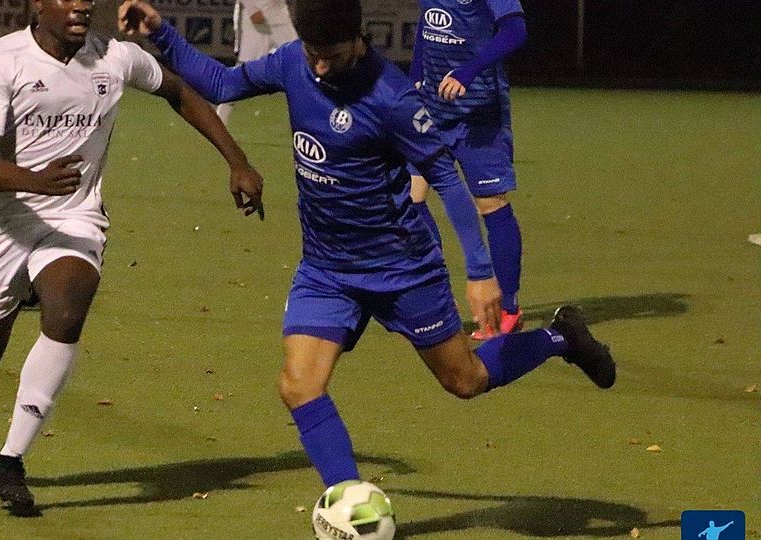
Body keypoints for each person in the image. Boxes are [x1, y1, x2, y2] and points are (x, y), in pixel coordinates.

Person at [119, 0, 615, 493]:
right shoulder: (294, 62)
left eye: (331, 56)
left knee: (465, 380)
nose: (319, 67)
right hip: (327, 269)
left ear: (358, 39)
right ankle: (351, 500)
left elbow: (445, 178)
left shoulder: (392, 98)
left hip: (402, 269)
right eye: (313, 53)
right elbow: (222, 83)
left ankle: (560, 338)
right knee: (299, 385)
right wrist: (161, 32)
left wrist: (480, 271)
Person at [0, 0, 263, 515]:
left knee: (67, 310)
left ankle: (10, 459)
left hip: (75, 218)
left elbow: (180, 92)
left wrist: (238, 161)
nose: (81, 4)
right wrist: (34, 181)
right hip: (0, 224)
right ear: (38, 5)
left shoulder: (116, 58)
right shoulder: (1, 61)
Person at [408, 0, 528, 339]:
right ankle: (437, 296)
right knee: (409, 199)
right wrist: (414, 77)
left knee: (491, 204)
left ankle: (508, 310)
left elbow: (515, 30)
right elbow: (428, 25)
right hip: (432, 108)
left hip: (479, 112)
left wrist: (469, 70)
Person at [215, 0, 297, 125]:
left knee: (300, 62)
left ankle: (314, 121)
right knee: (243, 73)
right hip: (256, 15)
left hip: (279, 13)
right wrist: (252, 8)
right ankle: (219, 121)